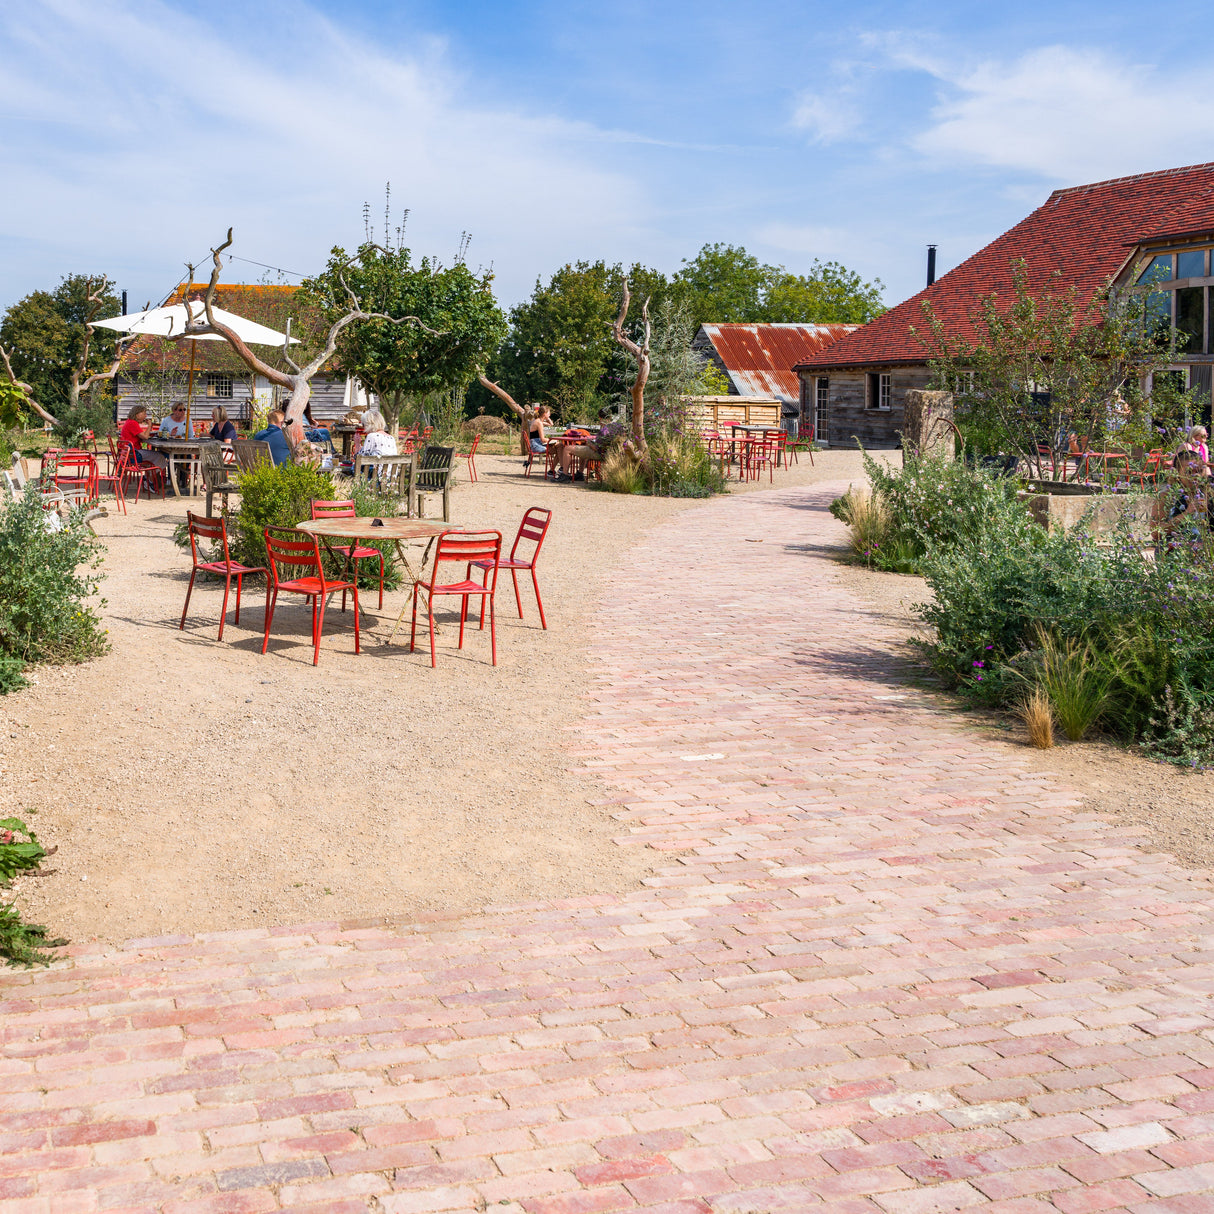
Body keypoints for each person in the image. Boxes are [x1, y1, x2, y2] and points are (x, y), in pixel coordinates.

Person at [118, 405, 168, 475]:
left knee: (155, 457)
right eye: (144, 413)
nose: (145, 416)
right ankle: (152, 479)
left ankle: (150, 478)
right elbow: (145, 437)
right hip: (134, 454)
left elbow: (141, 435)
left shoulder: (129, 422)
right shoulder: (132, 423)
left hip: (129, 454)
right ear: (137, 414)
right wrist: (150, 425)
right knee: (160, 456)